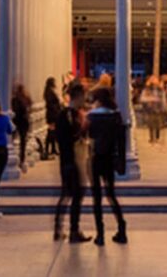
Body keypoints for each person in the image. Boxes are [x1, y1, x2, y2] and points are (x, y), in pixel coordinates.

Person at [86, 87, 128, 246]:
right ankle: (122, 228)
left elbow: (88, 135)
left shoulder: (92, 117)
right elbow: (121, 142)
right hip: (110, 158)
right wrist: (121, 163)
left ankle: (100, 233)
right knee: (111, 194)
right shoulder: (115, 116)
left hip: (96, 158)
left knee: (97, 197)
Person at [54, 82, 90, 243]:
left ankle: (59, 229)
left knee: (67, 194)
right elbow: (68, 137)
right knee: (76, 193)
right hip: (71, 160)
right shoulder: (69, 115)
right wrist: (82, 129)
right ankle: (73, 230)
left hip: (70, 160)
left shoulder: (69, 114)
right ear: (78, 96)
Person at [11, 83, 32, 172]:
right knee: (23, 141)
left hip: (16, 121)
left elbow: (14, 109)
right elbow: (29, 105)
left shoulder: (15, 99)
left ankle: (15, 156)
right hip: (23, 121)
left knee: (12, 138)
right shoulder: (25, 98)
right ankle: (22, 159)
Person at [142, 76, 165, 144]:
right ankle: (152, 138)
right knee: (151, 124)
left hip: (158, 109)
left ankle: (157, 137)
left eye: (155, 80)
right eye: (153, 80)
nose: (154, 81)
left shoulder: (160, 89)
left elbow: (163, 98)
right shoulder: (147, 89)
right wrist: (151, 99)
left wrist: (163, 107)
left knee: (158, 124)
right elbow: (143, 98)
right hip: (150, 109)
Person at [44, 77, 62, 159]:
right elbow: (51, 104)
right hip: (52, 114)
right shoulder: (49, 92)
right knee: (51, 131)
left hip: (51, 114)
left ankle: (52, 149)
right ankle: (48, 149)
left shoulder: (49, 91)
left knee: (52, 131)